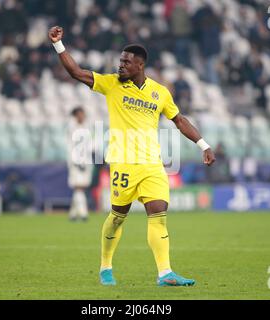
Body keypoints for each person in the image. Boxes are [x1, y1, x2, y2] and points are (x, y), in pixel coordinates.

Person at [48, 26, 216, 287]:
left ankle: (165, 273)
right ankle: (105, 266)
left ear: (140, 65)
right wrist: (59, 44)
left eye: (126, 62)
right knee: (117, 217)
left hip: (152, 164)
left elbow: (179, 120)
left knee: (158, 214)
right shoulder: (111, 84)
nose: (121, 65)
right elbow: (76, 72)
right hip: (123, 163)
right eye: (120, 61)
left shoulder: (160, 92)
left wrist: (203, 145)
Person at [67, 107, 93, 221]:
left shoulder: (88, 127)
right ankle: (83, 213)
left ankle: (72, 213)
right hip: (75, 161)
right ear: (75, 116)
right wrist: (75, 160)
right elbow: (70, 145)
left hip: (86, 161)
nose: (81, 116)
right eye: (79, 114)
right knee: (79, 187)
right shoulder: (71, 128)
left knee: (81, 186)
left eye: (83, 114)